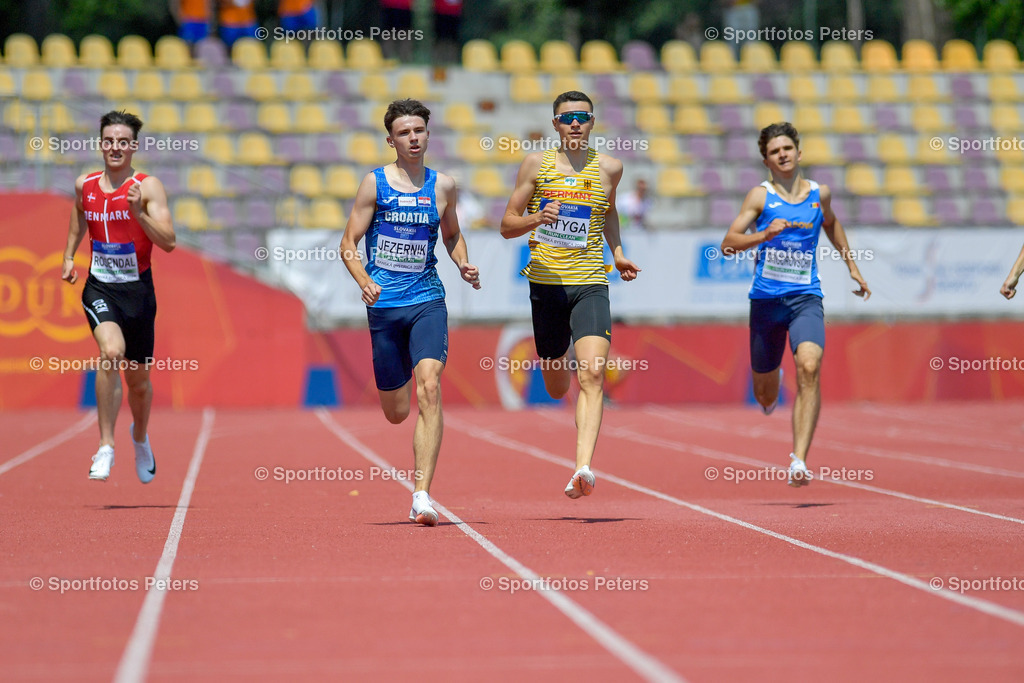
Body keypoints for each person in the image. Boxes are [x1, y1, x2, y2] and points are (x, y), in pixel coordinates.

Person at [339, 98, 481, 526]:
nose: (413, 138)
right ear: (391, 141)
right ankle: (418, 483)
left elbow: (452, 235)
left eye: (418, 130)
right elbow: (348, 244)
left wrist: (463, 263)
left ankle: (421, 495)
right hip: (384, 306)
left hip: (426, 299)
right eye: (404, 132)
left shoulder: (443, 186)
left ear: (428, 135)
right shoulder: (374, 184)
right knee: (396, 411)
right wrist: (364, 280)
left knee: (430, 387)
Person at [500, 91, 641, 499]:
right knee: (557, 385)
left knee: (593, 373)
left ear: (593, 122)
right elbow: (507, 225)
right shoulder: (536, 164)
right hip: (546, 285)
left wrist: (618, 252)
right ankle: (556, 354)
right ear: (555, 124)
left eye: (582, 116)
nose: (575, 123)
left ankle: (582, 468)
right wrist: (537, 217)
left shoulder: (610, 168)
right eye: (566, 118)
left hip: (591, 281)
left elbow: (608, 211)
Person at [721, 122, 870, 487]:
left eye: (787, 148)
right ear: (766, 161)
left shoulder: (820, 194)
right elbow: (728, 243)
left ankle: (799, 459)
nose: (783, 154)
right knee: (764, 394)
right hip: (766, 301)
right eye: (775, 151)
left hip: (806, 297)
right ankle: (771, 382)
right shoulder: (760, 197)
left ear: (799, 153)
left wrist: (851, 265)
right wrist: (763, 234)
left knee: (810, 365)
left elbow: (831, 224)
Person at [61, 110, 176, 483]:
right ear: (101, 144)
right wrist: (68, 255)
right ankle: (106, 446)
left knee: (138, 384)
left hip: (138, 293)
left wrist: (138, 212)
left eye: (123, 142)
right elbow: (79, 215)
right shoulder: (85, 185)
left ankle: (139, 438)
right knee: (110, 352)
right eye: (109, 141)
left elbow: (169, 242)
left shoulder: (149, 187)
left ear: (133, 147)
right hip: (100, 287)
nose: (115, 147)